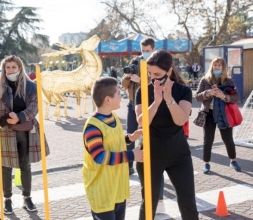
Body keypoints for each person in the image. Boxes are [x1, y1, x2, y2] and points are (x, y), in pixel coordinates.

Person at [134, 50, 198, 219]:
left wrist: (169, 100)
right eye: (149, 73)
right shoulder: (143, 91)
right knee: (149, 204)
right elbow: (142, 121)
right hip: (150, 154)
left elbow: (181, 120)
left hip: (179, 155)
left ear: (169, 71)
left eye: (157, 74)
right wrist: (156, 102)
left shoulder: (183, 90)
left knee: (188, 203)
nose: (153, 78)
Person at [0, 55, 50, 215]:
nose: (10, 70)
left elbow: (35, 106)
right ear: (3, 69)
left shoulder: (30, 86)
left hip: (26, 130)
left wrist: (20, 116)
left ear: (20, 68)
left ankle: (27, 198)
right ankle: (7, 200)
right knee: (6, 167)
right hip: (6, 131)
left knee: (25, 165)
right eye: (7, 67)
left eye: (13, 67)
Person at [82, 77, 143, 220]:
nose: (122, 96)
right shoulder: (93, 126)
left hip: (117, 188)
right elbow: (100, 156)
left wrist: (129, 138)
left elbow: (112, 139)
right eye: (118, 93)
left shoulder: (113, 117)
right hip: (101, 191)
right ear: (108, 100)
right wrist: (131, 155)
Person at [195, 57, 241, 174]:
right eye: (215, 65)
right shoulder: (205, 80)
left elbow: (236, 97)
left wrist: (223, 96)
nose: (217, 67)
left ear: (223, 67)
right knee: (208, 140)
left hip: (223, 114)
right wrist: (208, 93)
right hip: (208, 114)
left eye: (219, 65)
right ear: (211, 66)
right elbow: (197, 97)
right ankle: (206, 163)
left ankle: (233, 160)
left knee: (228, 139)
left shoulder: (228, 81)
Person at [121, 37, 155, 175]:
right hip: (132, 103)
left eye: (147, 50)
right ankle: (129, 165)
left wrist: (140, 80)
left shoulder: (156, 62)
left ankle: (149, 163)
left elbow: (156, 83)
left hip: (149, 104)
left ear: (153, 49)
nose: (145, 53)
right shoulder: (135, 61)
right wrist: (129, 76)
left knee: (148, 134)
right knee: (131, 134)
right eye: (143, 50)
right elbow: (124, 84)